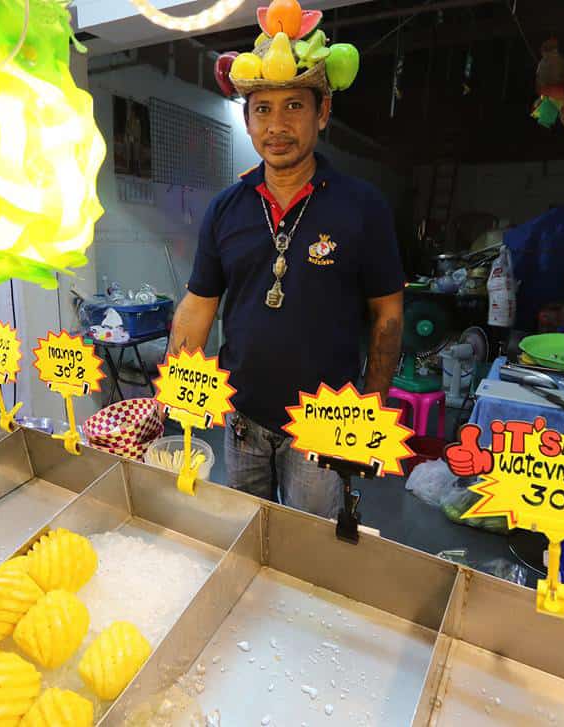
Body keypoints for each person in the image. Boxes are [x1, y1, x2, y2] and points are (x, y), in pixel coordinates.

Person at [169, 65, 404, 519]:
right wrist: (174, 394)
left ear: (323, 113)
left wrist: (369, 412)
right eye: (263, 110)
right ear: (248, 122)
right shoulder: (226, 208)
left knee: (311, 553)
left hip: (324, 422)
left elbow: (388, 315)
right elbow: (198, 305)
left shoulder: (362, 207)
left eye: (294, 106)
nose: (277, 126)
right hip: (241, 417)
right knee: (243, 533)